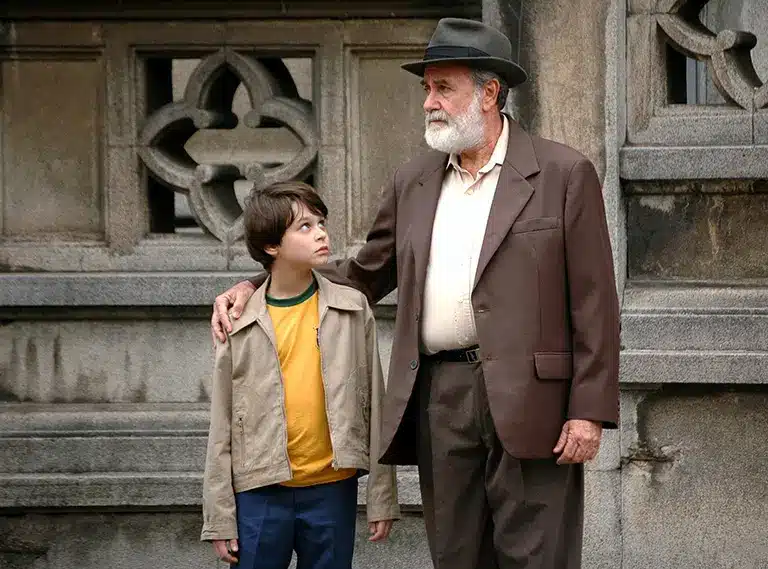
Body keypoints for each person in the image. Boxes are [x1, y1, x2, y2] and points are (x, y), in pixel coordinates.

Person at [212, 18, 619, 569]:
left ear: (490, 93)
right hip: (439, 395)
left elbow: (594, 303)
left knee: (538, 557)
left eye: (443, 87)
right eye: (426, 88)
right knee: (455, 555)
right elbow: (362, 274)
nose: (429, 101)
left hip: (537, 403)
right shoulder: (414, 180)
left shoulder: (563, 173)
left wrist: (587, 411)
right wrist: (261, 283)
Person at [201, 181, 398, 569]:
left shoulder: (353, 308)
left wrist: (381, 496)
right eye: (305, 227)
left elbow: (375, 405)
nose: (321, 232)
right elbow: (221, 423)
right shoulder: (238, 319)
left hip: (331, 489)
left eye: (321, 222)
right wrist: (220, 515)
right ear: (272, 246)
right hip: (259, 493)